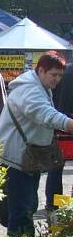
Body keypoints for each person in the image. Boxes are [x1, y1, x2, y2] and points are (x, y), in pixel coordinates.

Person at [0, 52, 73, 237]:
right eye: (53, 74)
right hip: (15, 160)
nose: (57, 79)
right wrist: (69, 124)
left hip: (28, 159)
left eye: (60, 75)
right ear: (40, 70)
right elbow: (46, 114)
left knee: (28, 207)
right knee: (21, 214)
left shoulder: (39, 85)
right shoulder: (30, 89)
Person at [44, 62, 73, 210]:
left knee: (55, 168)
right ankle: (69, 206)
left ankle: (53, 205)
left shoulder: (61, 71)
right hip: (65, 123)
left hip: (57, 123)